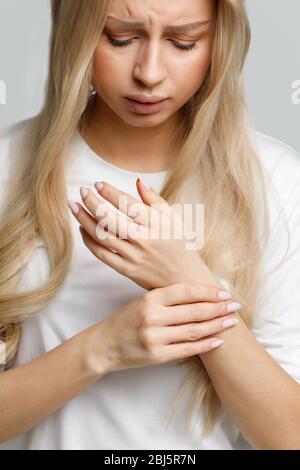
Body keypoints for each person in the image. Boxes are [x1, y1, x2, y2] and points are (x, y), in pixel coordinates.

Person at [0, 0, 300, 450]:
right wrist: (103, 347)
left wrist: (185, 278)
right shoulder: (8, 168)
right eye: (121, 37)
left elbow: (289, 436)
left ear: (219, 41)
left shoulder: (273, 180)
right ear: (76, 34)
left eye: (184, 42)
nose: (150, 72)